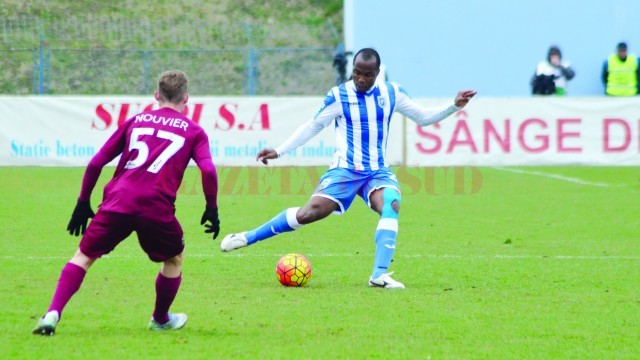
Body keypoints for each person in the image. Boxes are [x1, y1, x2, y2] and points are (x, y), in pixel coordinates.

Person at [220, 48, 476, 289]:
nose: (361, 78)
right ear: (352, 69)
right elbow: (313, 126)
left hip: (377, 171)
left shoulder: (392, 93)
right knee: (308, 214)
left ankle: (379, 275)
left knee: (392, 204)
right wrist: (280, 150)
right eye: (357, 72)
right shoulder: (339, 95)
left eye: (367, 74)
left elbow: (423, 117)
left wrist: (454, 106)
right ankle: (247, 236)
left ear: (377, 74)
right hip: (345, 170)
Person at [32, 70, 221, 336]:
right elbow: (209, 171)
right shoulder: (195, 131)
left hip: (117, 201)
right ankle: (160, 319)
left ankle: (52, 313)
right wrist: (211, 207)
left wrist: (83, 201)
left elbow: (97, 161)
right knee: (173, 259)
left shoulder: (136, 121)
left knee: (83, 257)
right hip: (156, 206)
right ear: (186, 98)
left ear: (156, 95)